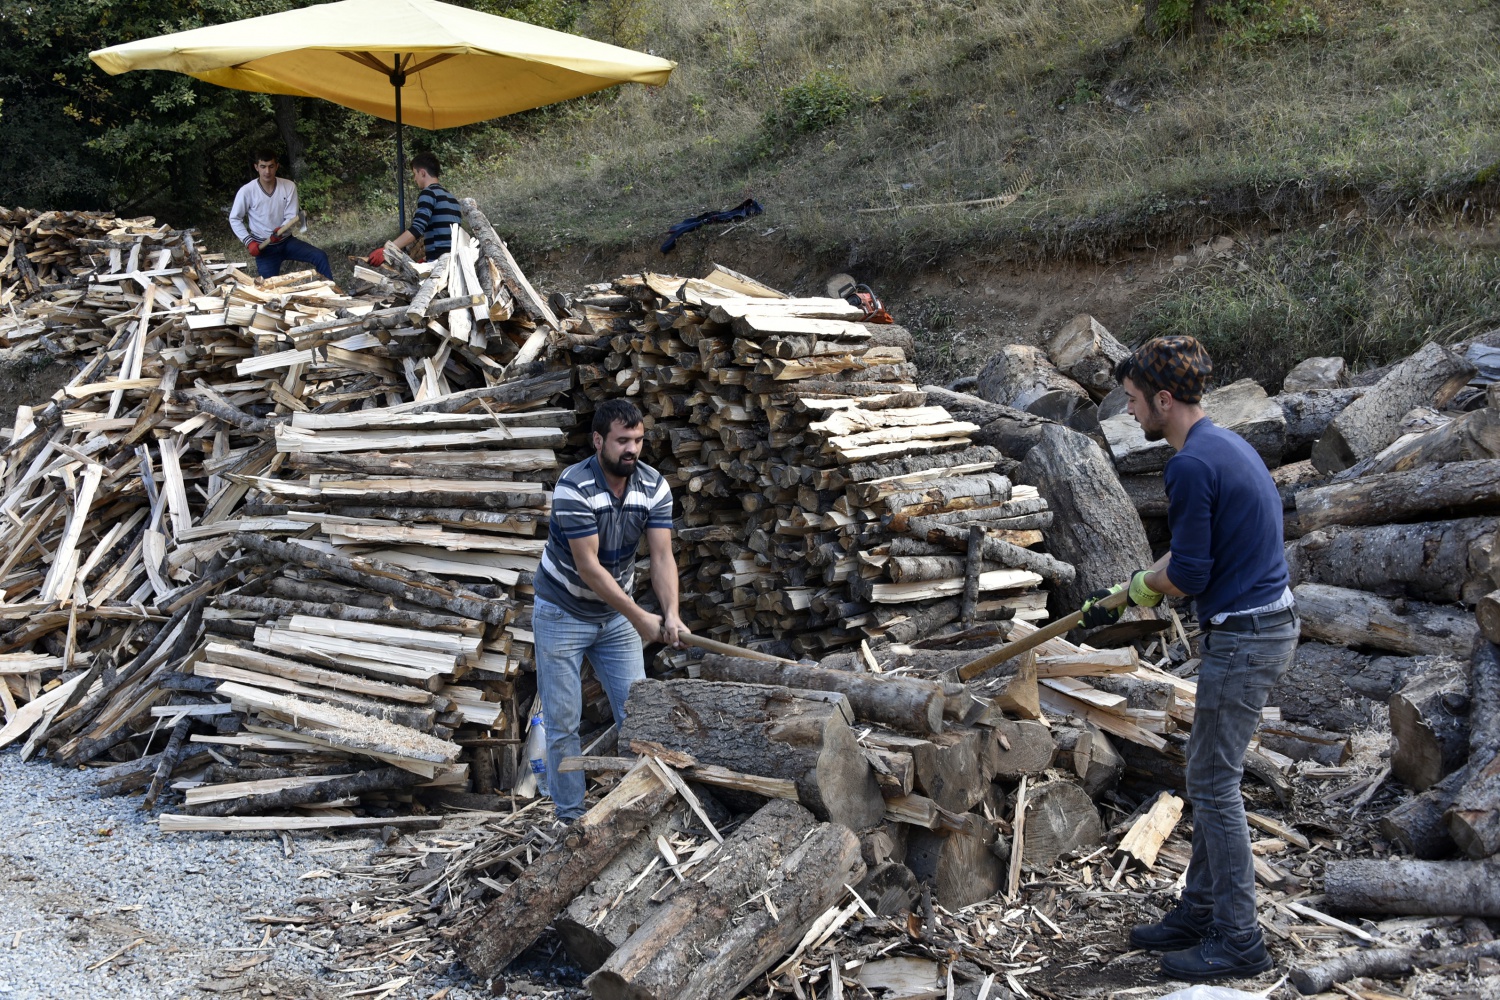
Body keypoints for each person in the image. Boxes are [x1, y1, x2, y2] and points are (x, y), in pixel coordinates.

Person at [1079, 335, 1296, 982]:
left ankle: (1238, 940)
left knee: (1212, 783)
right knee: (1208, 774)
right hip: (1260, 622)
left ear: (1165, 399)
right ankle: (1200, 911)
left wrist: (1145, 588)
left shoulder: (1191, 466)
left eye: (1135, 399)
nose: (1128, 408)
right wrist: (1123, 595)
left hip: (1246, 633)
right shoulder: (1219, 445)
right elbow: (1194, 555)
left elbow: (1193, 573)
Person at [532, 398, 689, 822]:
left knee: (638, 714)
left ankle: (643, 808)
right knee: (564, 722)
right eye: (622, 440)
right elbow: (590, 568)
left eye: (638, 440)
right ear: (599, 440)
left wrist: (670, 612)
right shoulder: (573, 487)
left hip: (614, 614)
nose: (632, 449)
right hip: (562, 611)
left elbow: (661, 557)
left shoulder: (653, 486)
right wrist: (639, 617)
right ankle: (570, 818)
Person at [228, 150, 332, 281]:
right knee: (268, 288)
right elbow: (234, 218)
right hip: (264, 248)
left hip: (286, 242)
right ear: (256, 167)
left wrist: (281, 230)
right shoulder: (247, 191)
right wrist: (249, 241)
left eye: (271, 166)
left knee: (320, 256)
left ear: (277, 166)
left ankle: (332, 292)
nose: (267, 171)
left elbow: (291, 215)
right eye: (263, 167)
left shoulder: (289, 186)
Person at [366, 152, 463, 266]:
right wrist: (426, 258)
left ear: (422, 173)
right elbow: (448, 237)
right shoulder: (452, 199)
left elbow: (417, 229)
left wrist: (387, 250)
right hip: (456, 262)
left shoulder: (428, 193)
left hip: (439, 263)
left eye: (414, 174)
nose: (414, 179)